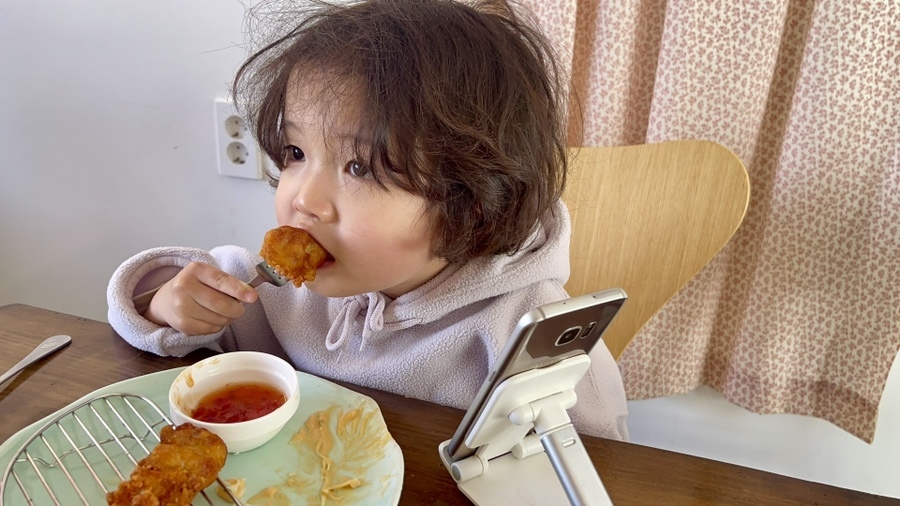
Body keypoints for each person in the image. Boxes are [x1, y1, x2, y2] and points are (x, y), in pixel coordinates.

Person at [107, 0, 628, 440]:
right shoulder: (278, 293)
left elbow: (598, 474)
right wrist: (167, 306)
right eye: (295, 152)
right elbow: (174, 309)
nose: (303, 199)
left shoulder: (537, 347)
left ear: (469, 201)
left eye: (359, 167)